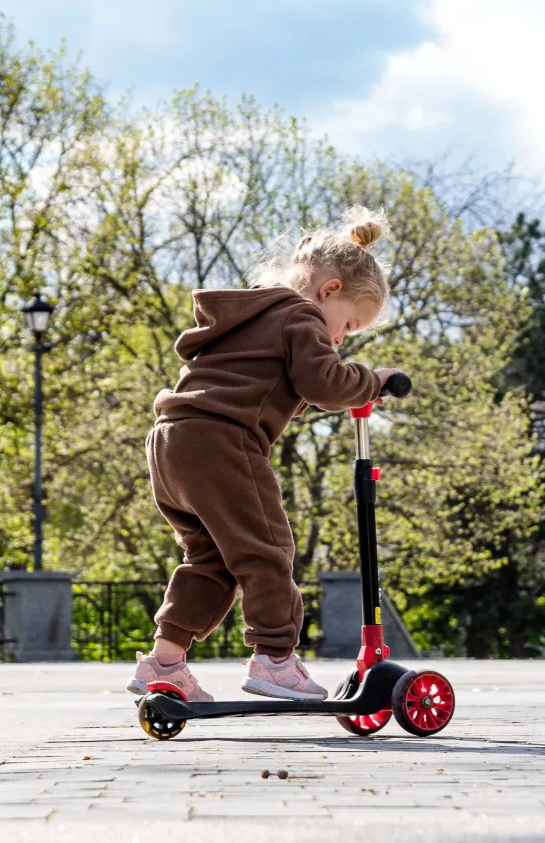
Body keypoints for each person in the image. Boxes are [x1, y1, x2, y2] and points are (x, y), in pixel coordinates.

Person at [127, 206, 401, 702]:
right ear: (330, 290)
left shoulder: (253, 315)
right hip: (221, 443)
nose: (339, 339)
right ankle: (275, 659)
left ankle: (163, 663)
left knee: (208, 560)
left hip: (172, 442)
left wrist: (342, 389)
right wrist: (369, 381)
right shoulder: (300, 315)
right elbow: (324, 380)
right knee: (267, 550)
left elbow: (285, 386)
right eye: (348, 325)